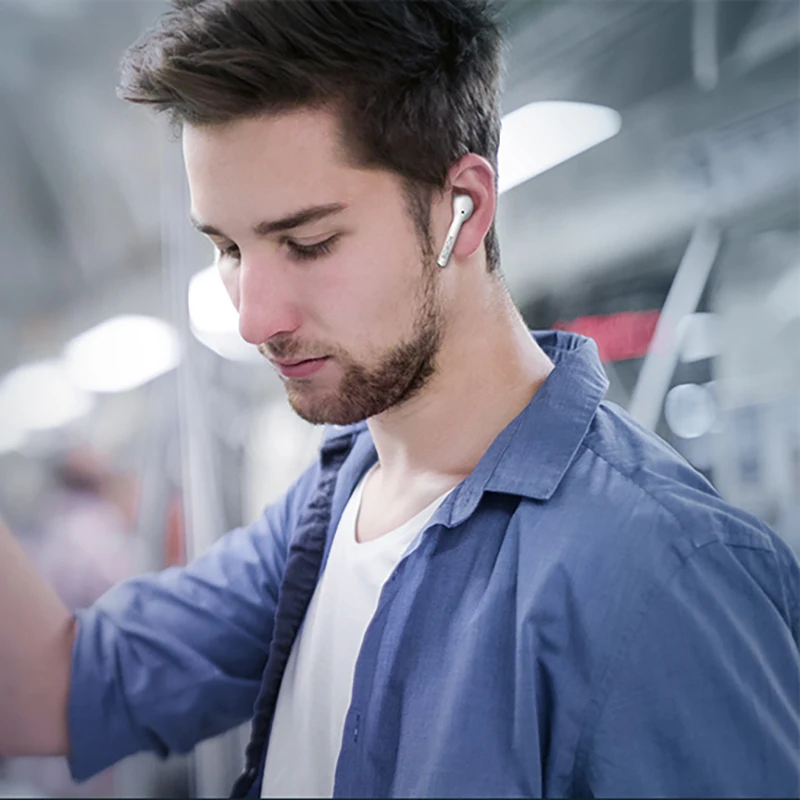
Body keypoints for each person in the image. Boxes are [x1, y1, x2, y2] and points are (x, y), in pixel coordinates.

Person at [1, 1, 798, 797]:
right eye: (229, 249)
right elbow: (52, 691)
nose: (253, 318)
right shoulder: (331, 506)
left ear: (464, 210)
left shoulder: (661, 575)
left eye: (308, 243)